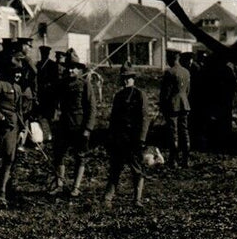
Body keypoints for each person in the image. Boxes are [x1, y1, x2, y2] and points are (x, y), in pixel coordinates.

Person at [103, 65, 151, 207]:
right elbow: (113, 119)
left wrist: (142, 138)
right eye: (123, 78)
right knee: (115, 168)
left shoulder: (139, 95)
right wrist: (110, 136)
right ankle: (108, 198)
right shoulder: (118, 96)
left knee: (137, 169)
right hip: (119, 138)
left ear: (133, 79)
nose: (125, 81)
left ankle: (137, 199)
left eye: (128, 78)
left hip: (134, 139)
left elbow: (144, 118)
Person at [51, 49, 95, 197]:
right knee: (59, 155)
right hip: (63, 125)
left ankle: (76, 187)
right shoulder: (61, 84)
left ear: (79, 69)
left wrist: (87, 129)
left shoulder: (85, 84)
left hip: (79, 127)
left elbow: (91, 108)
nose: (70, 70)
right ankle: (59, 184)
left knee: (80, 156)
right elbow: (55, 102)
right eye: (68, 67)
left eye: (74, 67)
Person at [0, 64, 28, 205]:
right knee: (8, 158)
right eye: (15, 72)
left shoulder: (18, 88)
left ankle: (9, 188)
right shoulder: (0, 84)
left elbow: (19, 111)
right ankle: (1, 192)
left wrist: (22, 129)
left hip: (15, 128)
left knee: (14, 158)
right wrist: (1, 118)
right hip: (4, 128)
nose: (18, 75)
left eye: (20, 73)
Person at [159, 50, 193, 166]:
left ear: (171, 58)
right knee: (184, 131)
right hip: (184, 104)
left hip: (173, 105)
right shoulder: (186, 72)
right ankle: (186, 160)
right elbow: (187, 91)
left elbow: (166, 93)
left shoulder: (169, 72)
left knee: (173, 132)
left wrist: (162, 105)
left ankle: (173, 160)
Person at [34, 45, 61, 122]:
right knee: (40, 115)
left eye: (45, 53)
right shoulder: (38, 64)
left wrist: (49, 85)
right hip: (40, 92)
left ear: (48, 54)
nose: (43, 55)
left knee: (49, 115)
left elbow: (56, 80)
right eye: (42, 53)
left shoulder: (53, 65)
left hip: (49, 94)